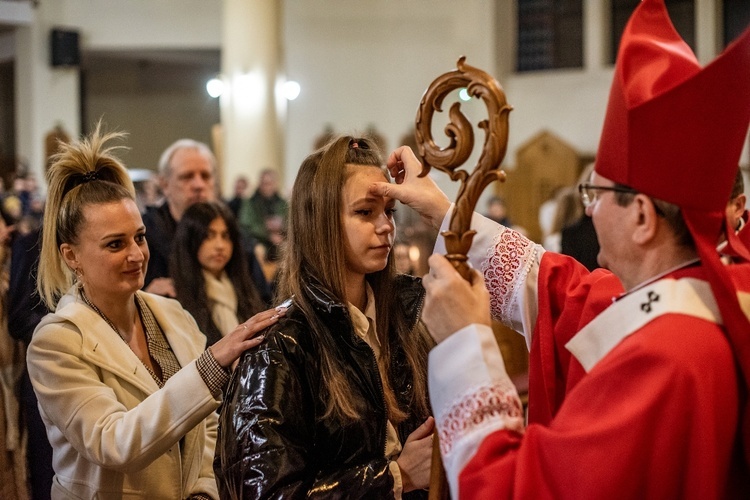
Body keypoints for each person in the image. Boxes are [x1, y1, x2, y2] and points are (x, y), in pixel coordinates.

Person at [370, 1, 750, 497]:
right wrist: (447, 213)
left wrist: (466, 344)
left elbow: (520, 489)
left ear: (642, 217)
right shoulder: (699, 295)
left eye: (597, 193)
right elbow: (566, 294)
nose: (588, 210)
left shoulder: (666, 357)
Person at [26, 127, 284, 499]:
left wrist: (203, 490)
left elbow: (207, 427)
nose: (136, 255)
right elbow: (113, 443)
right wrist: (210, 367)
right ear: (72, 256)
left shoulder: (171, 314)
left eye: (140, 237)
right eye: (115, 244)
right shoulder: (57, 341)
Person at [214, 136, 435, 498]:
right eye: (365, 212)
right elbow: (267, 493)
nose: (386, 227)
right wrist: (395, 477)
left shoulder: (404, 318)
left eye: (389, 212)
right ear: (320, 221)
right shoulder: (279, 345)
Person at [143, 139, 270, 304]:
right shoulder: (145, 237)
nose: (198, 185)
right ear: (165, 184)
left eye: (205, 176)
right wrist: (145, 298)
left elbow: (264, 300)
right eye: (187, 177)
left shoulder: (233, 234)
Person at [170, 201, 265, 346]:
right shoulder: (175, 296)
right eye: (209, 236)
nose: (220, 246)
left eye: (225, 236)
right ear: (191, 240)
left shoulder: (243, 286)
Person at [237, 168, 288, 256]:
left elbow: (291, 222)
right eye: (264, 183)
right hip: (259, 240)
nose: (267, 187)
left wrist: (281, 224)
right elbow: (245, 225)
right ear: (260, 184)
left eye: (269, 183)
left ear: (275, 184)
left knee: (288, 249)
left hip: (280, 239)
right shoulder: (251, 203)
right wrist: (267, 232)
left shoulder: (282, 203)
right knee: (259, 250)